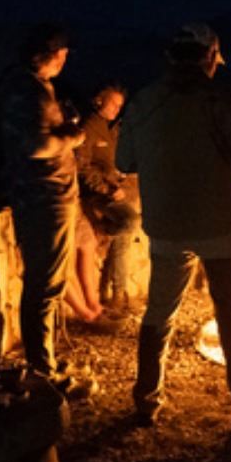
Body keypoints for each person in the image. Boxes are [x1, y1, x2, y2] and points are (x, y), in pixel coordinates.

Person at [116, 23, 231, 429]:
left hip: (166, 226)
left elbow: (124, 161)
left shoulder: (144, 101)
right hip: (220, 226)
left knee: (159, 313)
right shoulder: (220, 98)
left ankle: (146, 400)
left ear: (171, 56)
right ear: (211, 57)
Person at [0, 23, 94, 398]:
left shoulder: (24, 85)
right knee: (45, 285)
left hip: (43, 197)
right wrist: (74, 135)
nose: (65, 60)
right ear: (52, 54)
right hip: (45, 198)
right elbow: (37, 146)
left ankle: (46, 362)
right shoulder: (29, 89)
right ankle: (42, 374)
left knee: (48, 283)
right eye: (64, 54)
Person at [76, 82, 141, 311]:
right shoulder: (89, 127)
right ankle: (117, 289)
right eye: (113, 103)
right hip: (96, 195)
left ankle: (116, 292)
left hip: (114, 191)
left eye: (120, 105)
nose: (117, 109)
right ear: (99, 100)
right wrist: (107, 189)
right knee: (130, 222)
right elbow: (81, 167)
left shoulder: (110, 128)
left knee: (124, 234)